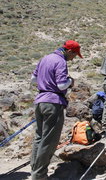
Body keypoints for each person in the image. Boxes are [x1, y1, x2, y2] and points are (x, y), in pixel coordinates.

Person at [30, 40, 83, 180]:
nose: (73, 58)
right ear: (69, 51)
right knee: (49, 141)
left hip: (40, 101)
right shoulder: (60, 62)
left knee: (39, 138)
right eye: (74, 55)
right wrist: (71, 81)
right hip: (53, 103)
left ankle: (35, 171)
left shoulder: (45, 58)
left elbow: (33, 80)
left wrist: (46, 82)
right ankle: (39, 175)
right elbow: (61, 85)